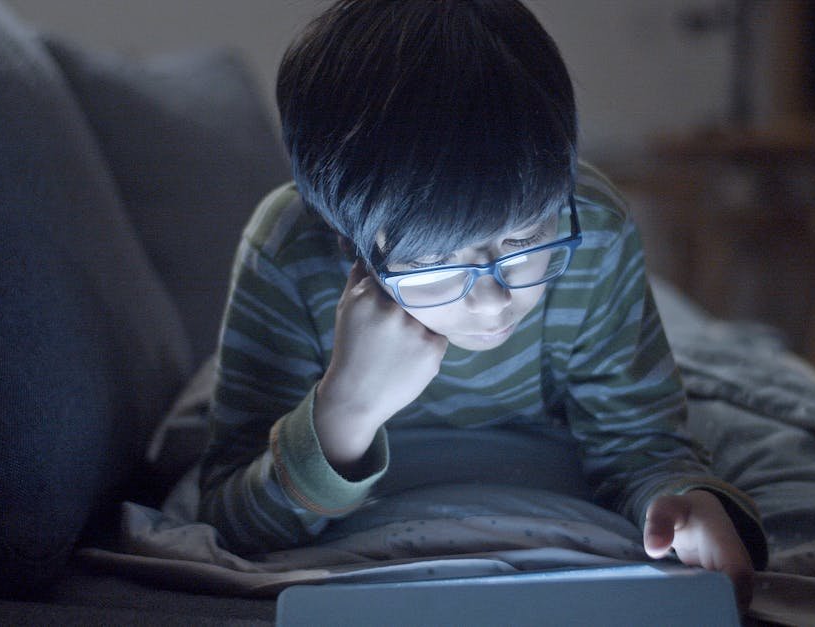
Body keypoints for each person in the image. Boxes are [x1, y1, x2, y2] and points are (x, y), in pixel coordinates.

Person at [197, 0, 766, 608]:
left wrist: (682, 500)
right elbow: (230, 518)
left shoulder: (591, 224)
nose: (496, 298)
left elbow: (640, 440)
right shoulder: (288, 247)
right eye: (436, 262)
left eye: (523, 239)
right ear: (349, 241)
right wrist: (345, 411)